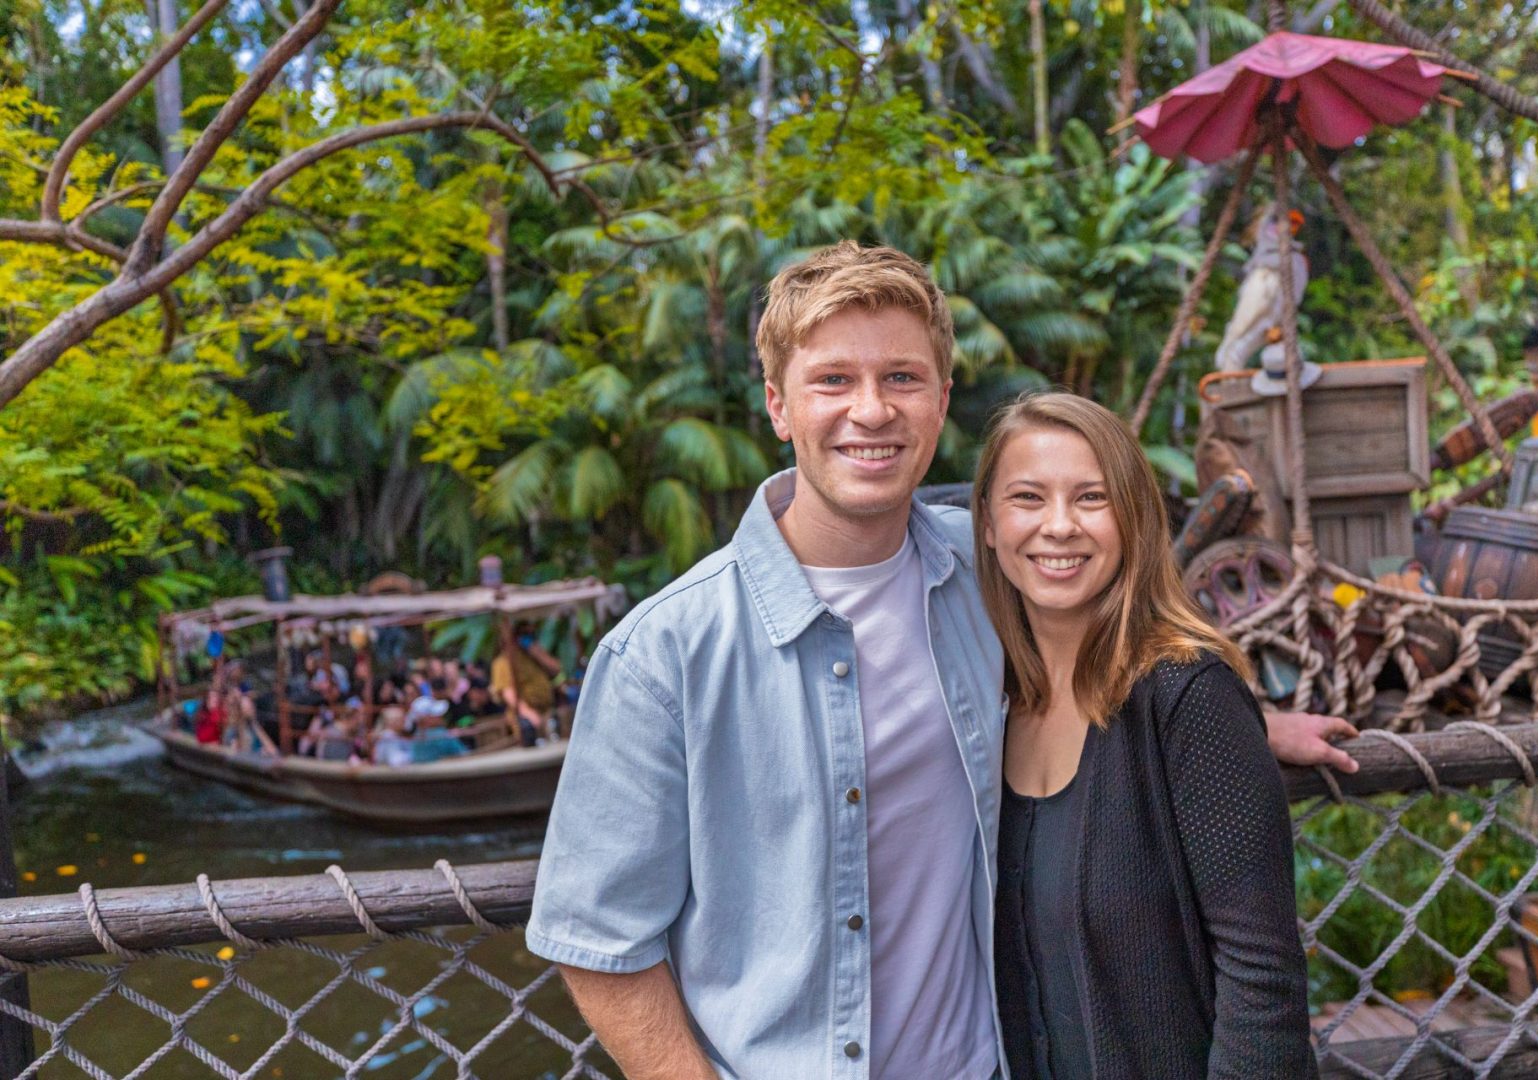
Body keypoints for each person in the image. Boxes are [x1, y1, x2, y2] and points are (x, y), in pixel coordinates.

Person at [529, 241, 1353, 1079]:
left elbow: (1119, 645)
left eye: (901, 378)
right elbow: (599, 939)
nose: (871, 410)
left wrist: (1228, 728)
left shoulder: (991, 570)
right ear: (778, 405)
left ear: (942, 399)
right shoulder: (662, 656)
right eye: (833, 381)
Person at [976, 391, 1314, 1077]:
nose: (1060, 526)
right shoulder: (986, 702)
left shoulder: (1188, 697)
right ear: (987, 523)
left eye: (1092, 498)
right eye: (1028, 498)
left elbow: (1264, 982)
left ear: (1133, 518)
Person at [490, 625, 561, 743]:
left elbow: (556, 669)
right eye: (523, 634)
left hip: (547, 713)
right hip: (527, 719)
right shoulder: (502, 662)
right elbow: (507, 692)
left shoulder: (531, 654)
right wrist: (528, 713)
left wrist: (537, 653)